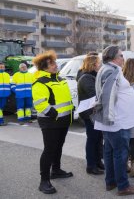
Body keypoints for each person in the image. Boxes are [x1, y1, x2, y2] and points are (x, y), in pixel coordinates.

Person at [94, 46, 134, 196]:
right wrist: (109, 119)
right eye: (121, 55)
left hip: (112, 122)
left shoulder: (106, 69)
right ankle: (123, 186)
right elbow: (108, 96)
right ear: (114, 58)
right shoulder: (112, 71)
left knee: (109, 153)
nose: (123, 58)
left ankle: (110, 182)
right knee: (120, 154)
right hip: (117, 122)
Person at [32, 51, 74, 195]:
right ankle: (44, 181)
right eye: (52, 64)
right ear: (44, 67)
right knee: (49, 149)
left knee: (58, 147)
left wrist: (71, 108)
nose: (56, 65)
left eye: (55, 62)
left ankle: (56, 170)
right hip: (50, 122)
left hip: (64, 120)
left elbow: (63, 98)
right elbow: (40, 104)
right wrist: (53, 113)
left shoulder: (59, 79)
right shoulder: (40, 82)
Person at [77, 54, 104, 175]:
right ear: (93, 64)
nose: (100, 65)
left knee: (98, 138)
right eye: (99, 63)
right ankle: (91, 165)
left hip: (95, 113)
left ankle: (98, 161)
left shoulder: (94, 76)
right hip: (89, 114)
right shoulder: (86, 78)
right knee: (92, 139)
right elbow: (94, 95)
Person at [0, 62, 11, 126]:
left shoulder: (7, 75)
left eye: (3, 67)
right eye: (0, 67)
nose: (2, 68)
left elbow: (9, 84)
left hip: (5, 95)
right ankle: (1, 121)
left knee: (1, 108)